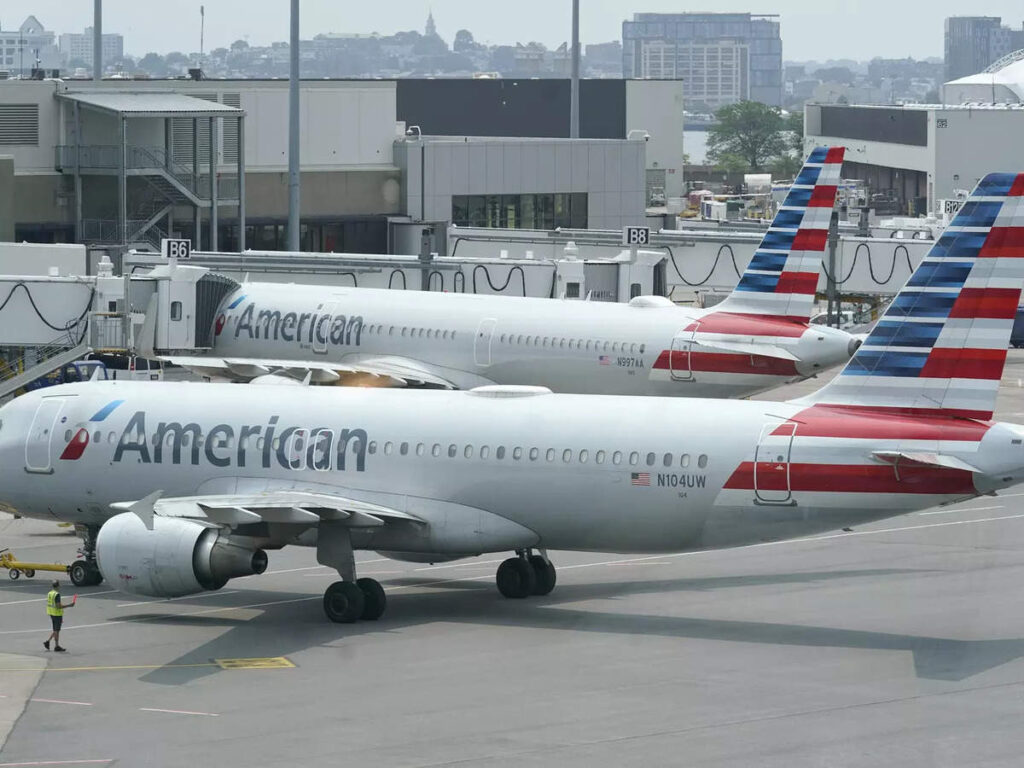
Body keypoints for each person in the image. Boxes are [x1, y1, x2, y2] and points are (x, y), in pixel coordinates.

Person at [44, 580, 73, 653]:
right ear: (58, 586)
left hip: (51, 612)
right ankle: (56, 646)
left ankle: (48, 641)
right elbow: (58, 606)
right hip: (57, 614)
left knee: (55, 629)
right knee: (57, 630)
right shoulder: (57, 594)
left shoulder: (50, 593)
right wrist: (69, 605)